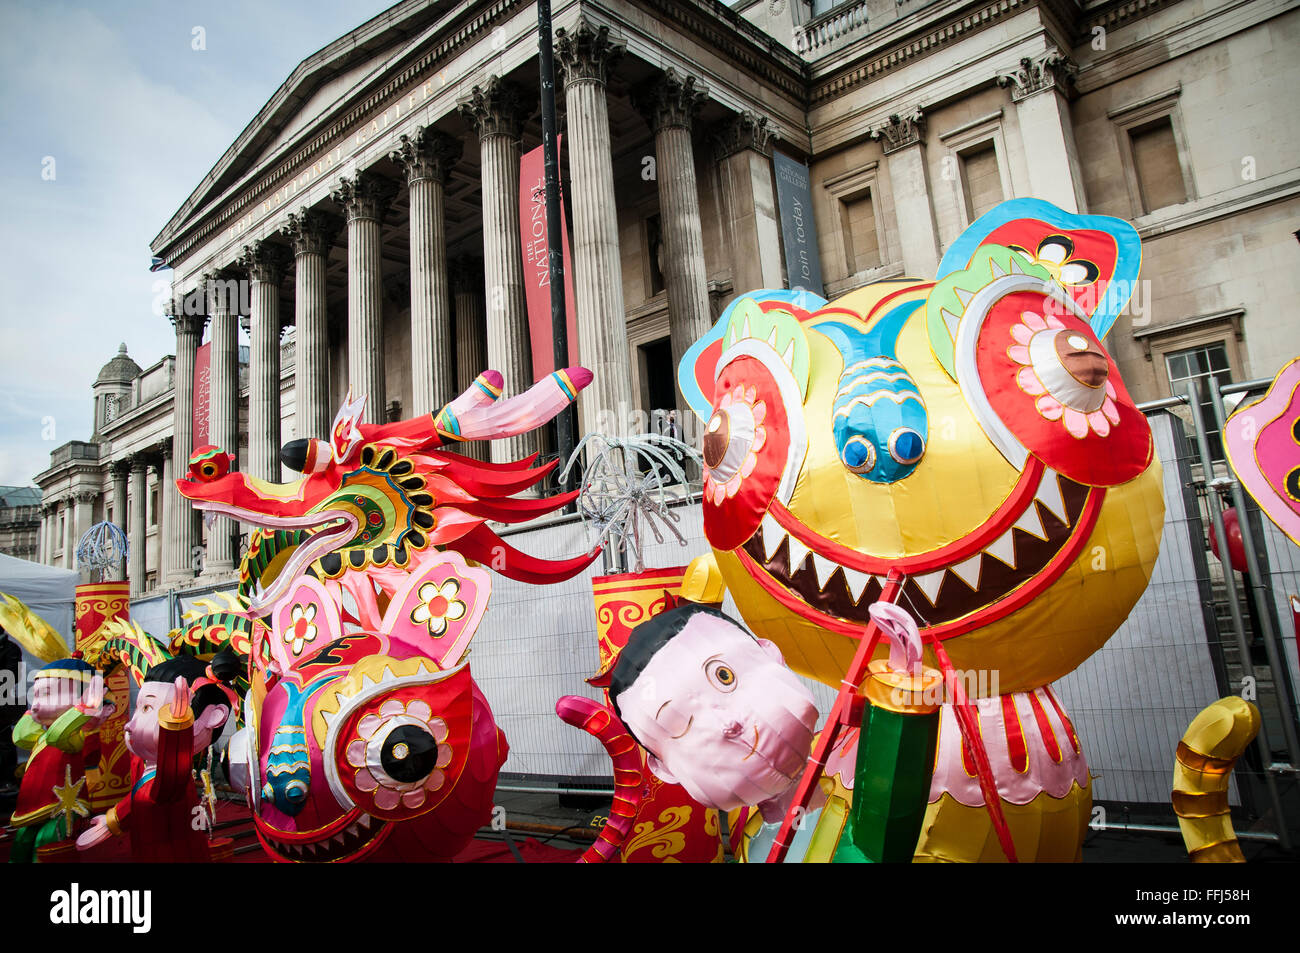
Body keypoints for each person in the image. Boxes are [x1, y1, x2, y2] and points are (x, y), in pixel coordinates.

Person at [76, 652, 236, 862]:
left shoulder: (172, 778)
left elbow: (170, 776)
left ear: (211, 717)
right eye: (139, 709)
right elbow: (138, 800)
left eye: (149, 709)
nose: (129, 724)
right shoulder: (148, 766)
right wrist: (112, 821)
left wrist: (175, 731)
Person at [9, 654, 113, 863]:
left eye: (47, 694)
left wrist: (83, 711)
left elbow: (58, 736)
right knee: (22, 840)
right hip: (36, 803)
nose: (37, 704)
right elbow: (20, 737)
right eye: (36, 695)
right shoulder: (43, 735)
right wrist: (31, 713)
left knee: (47, 841)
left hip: (62, 804)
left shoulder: (74, 735)